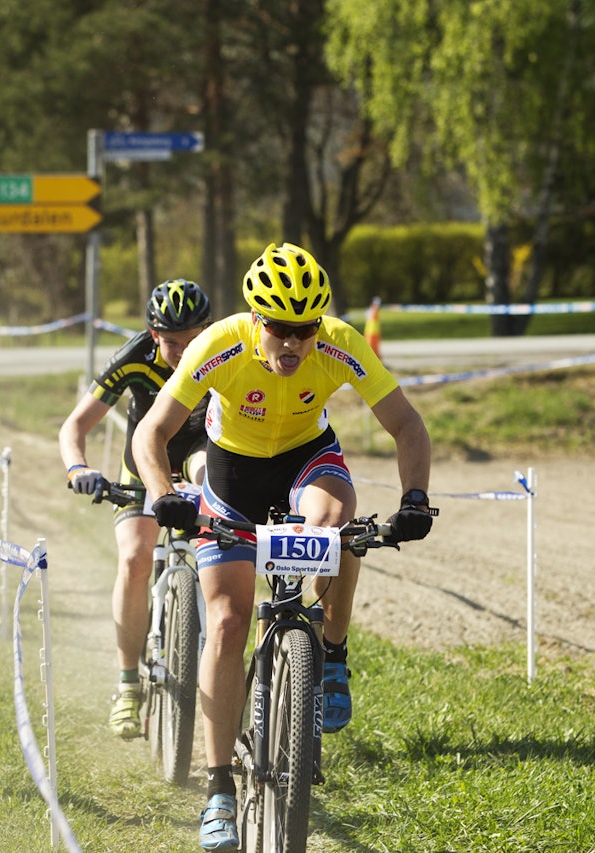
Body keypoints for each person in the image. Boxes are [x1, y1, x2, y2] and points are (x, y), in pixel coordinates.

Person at [132, 243, 436, 850]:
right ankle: (219, 789)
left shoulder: (340, 343)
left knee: (337, 528)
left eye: (305, 329)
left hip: (306, 459)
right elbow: (153, 431)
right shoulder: (218, 343)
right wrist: (164, 493)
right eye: (279, 329)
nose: (294, 343)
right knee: (227, 622)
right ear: (256, 320)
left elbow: (407, 423)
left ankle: (331, 656)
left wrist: (414, 499)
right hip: (232, 473)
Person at [58, 279, 213, 739]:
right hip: (143, 464)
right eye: (172, 343)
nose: (183, 353)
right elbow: (75, 425)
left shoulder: (222, 353)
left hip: (199, 457)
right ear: (153, 334)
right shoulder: (135, 357)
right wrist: (78, 467)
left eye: (193, 341)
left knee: (221, 560)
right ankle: (127, 684)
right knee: (134, 557)